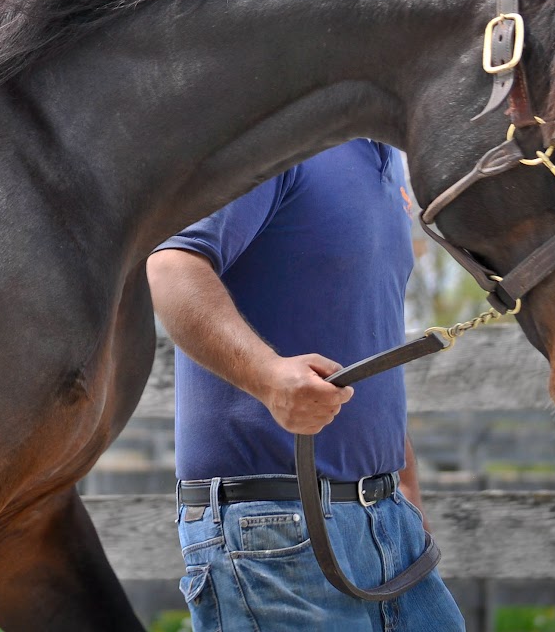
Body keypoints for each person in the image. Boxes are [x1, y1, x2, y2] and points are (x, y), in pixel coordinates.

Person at [147, 139, 465, 631]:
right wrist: (270, 378)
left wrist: (404, 492)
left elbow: (362, 341)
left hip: (389, 525)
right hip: (273, 529)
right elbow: (172, 265)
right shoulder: (279, 134)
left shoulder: (389, 161)